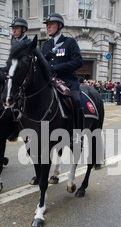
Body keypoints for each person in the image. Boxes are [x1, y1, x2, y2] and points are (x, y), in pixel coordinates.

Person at [42, 13, 84, 142]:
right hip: (50, 81)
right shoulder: (46, 45)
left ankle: (77, 134)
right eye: (47, 25)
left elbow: (78, 61)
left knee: (76, 100)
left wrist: (57, 68)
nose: (48, 27)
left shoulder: (70, 42)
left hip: (68, 81)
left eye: (51, 25)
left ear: (59, 26)